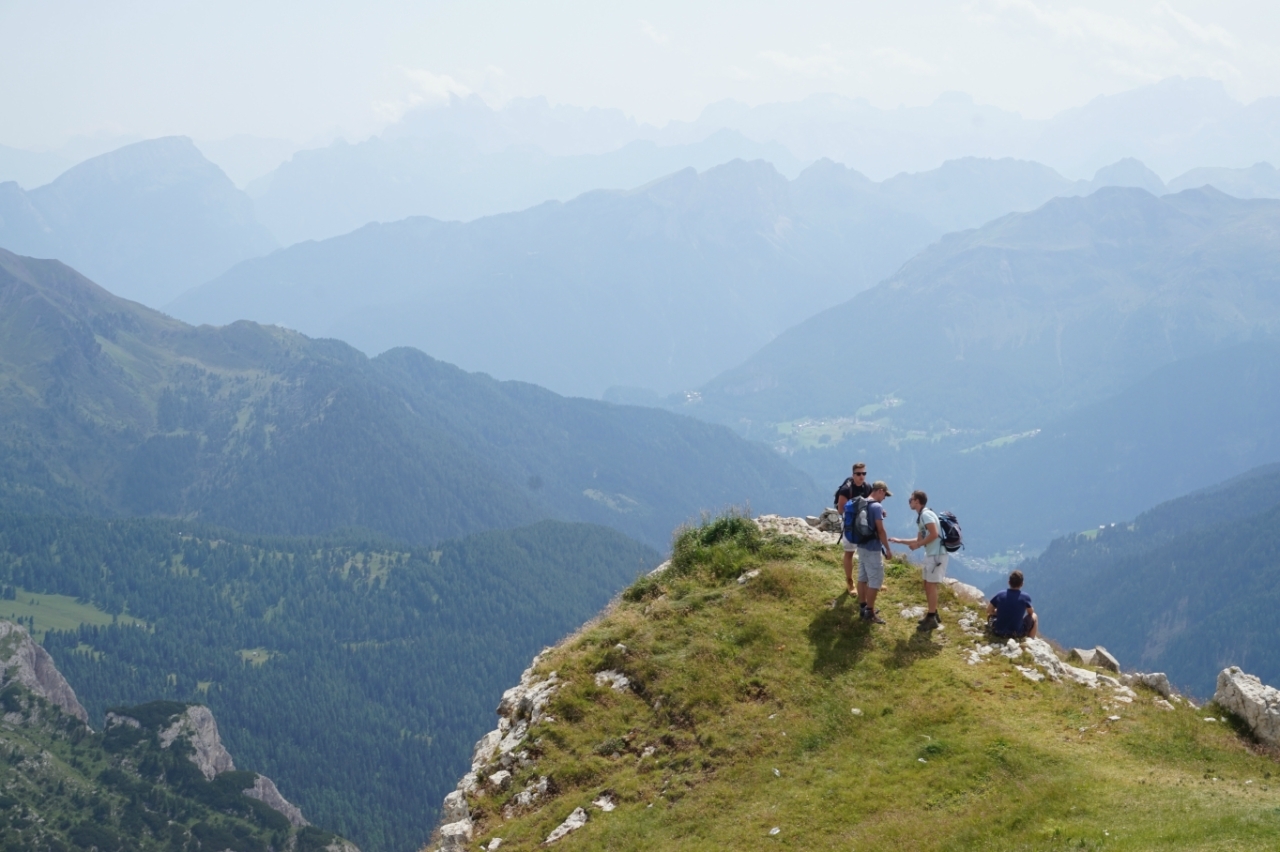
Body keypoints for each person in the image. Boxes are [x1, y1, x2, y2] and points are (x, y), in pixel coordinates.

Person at [889, 490, 947, 631]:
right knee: (927, 584)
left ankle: (932, 617)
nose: (909, 501)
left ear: (917, 501)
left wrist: (918, 545)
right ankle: (932, 613)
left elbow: (934, 534)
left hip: (937, 555)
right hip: (932, 554)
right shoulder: (922, 516)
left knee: (931, 585)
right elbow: (919, 539)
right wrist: (900, 541)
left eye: (911, 499)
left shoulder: (926, 514)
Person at [856, 480, 893, 624]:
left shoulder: (862, 502)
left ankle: (863, 606)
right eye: (885, 495)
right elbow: (881, 530)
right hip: (872, 548)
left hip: (861, 545)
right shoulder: (877, 506)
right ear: (880, 491)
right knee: (876, 580)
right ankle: (870, 613)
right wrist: (888, 549)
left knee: (862, 577)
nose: (884, 498)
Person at [987, 570, 1038, 638]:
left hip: (997, 632)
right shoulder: (1025, 597)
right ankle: (1031, 640)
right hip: (1016, 633)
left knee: (990, 616)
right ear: (1022, 584)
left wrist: (998, 612)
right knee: (1034, 616)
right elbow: (1030, 613)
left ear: (1008, 582)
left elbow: (989, 610)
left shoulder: (1000, 594)